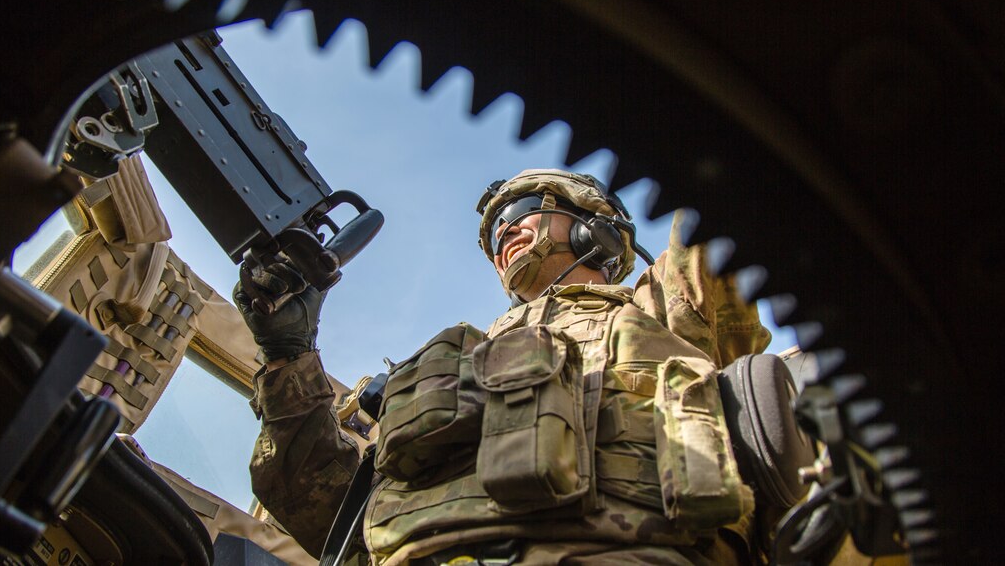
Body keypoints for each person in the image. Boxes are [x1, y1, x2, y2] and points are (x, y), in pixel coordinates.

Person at [237, 169, 772, 565]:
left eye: (521, 215)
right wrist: (288, 356)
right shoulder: (437, 375)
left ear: (597, 229)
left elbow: (733, 188)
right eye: (494, 236)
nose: (504, 237)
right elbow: (320, 505)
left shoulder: (660, 306)